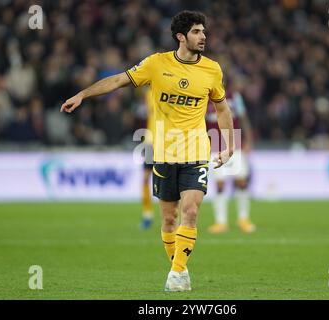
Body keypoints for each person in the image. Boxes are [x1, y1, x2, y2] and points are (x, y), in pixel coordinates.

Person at [60, 11, 235, 292]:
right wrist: (82, 94)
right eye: (197, 32)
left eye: (204, 31)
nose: (203, 36)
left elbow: (222, 108)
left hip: (195, 153)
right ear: (181, 36)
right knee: (168, 218)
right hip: (163, 153)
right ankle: (181, 268)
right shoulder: (156, 64)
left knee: (190, 211)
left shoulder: (212, 69)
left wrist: (229, 146)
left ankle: (176, 274)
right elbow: (118, 80)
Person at [206, 80, 256, 234]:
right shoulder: (204, 98)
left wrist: (248, 140)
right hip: (214, 146)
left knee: (241, 181)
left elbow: (243, 118)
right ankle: (221, 222)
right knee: (220, 184)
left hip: (235, 144)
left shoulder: (235, 97)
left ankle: (243, 218)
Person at [139, 87, 155, 230]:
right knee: (145, 179)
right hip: (150, 143)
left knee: (173, 182)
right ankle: (147, 215)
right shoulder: (148, 94)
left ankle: (178, 218)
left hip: (169, 142)